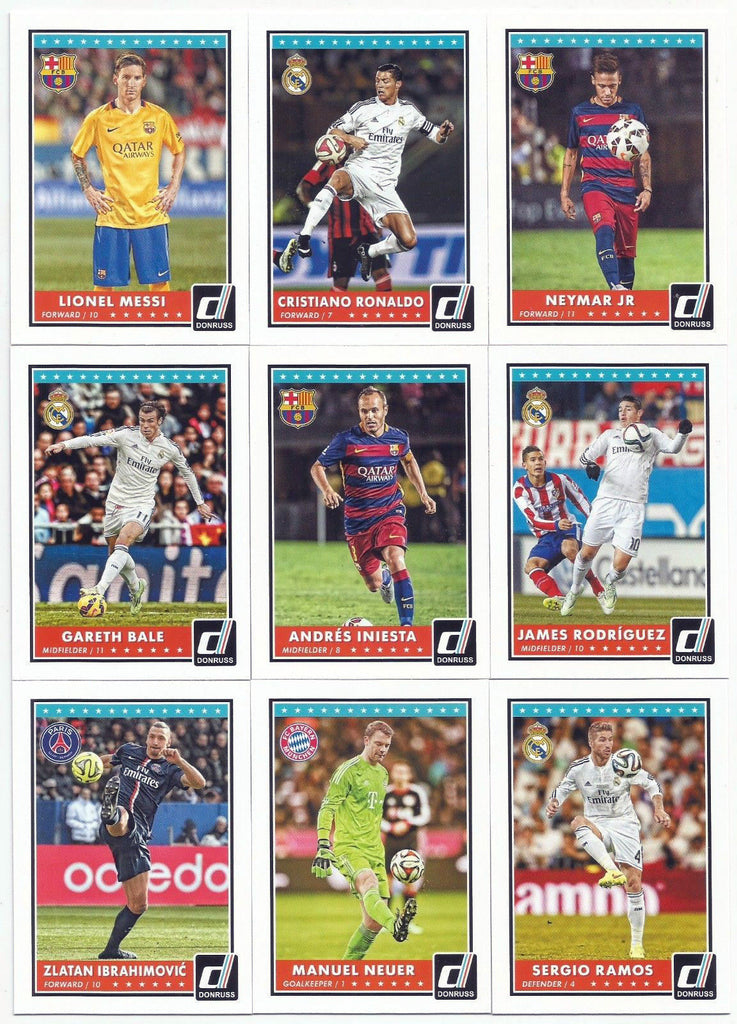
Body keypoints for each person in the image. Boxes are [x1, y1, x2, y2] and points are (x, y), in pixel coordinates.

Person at [282, 63, 454, 280]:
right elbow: (333, 129)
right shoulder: (363, 108)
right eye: (377, 81)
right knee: (337, 178)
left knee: (408, 240)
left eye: (385, 81)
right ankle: (305, 236)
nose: (380, 85)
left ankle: (369, 251)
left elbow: (435, 135)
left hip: (385, 186)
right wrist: (350, 138)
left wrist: (443, 133)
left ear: (398, 84)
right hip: (358, 172)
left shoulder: (409, 112)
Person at [44, 400, 213, 613]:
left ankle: (98, 590)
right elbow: (92, 439)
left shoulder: (169, 448)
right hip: (115, 502)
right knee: (115, 553)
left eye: (150, 421)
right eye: (142, 420)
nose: (145, 425)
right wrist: (64, 445)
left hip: (141, 503)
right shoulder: (126, 435)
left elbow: (187, 473)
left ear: (160, 421)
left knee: (123, 541)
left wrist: (200, 502)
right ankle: (136, 586)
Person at [310, 386, 436, 626]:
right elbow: (317, 467)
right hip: (358, 521)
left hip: (390, 512)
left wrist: (423, 493)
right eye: (364, 411)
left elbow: (409, 461)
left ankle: (406, 628)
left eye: (374, 410)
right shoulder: (346, 440)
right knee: (373, 584)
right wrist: (327, 490)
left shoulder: (399, 438)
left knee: (396, 558)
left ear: (385, 410)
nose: (369, 416)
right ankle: (385, 578)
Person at [546, 720, 670, 958]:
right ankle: (612, 871)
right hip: (598, 824)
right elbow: (562, 788)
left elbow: (652, 784)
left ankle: (636, 945)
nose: (608, 744)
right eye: (602, 740)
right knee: (577, 822)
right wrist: (554, 802)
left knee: (634, 884)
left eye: (610, 740)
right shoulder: (579, 768)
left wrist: (659, 808)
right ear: (591, 742)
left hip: (625, 825)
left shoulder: (623, 763)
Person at [560, 395, 691, 614]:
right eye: (620, 409)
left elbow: (673, 448)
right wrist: (590, 465)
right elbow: (584, 458)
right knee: (586, 554)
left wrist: (683, 433)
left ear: (639, 413)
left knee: (620, 566)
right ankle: (574, 589)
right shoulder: (610, 435)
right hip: (606, 502)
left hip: (633, 506)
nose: (622, 412)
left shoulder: (652, 435)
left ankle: (610, 583)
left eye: (628, 409)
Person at [70, 52, 185, 291]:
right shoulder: (98, 118)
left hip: (151, 214)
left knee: (160, 284)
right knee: (104, 288)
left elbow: (179, 150)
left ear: (144, 81)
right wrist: (88, 189)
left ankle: (161, 318)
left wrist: (174, 187)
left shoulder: (159, 117)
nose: (130, 84)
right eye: (125, 77)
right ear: (116, 79)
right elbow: (77, 154)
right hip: (112, 215)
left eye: (136, 78)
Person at [96, 720, 206, 959]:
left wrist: (179, 761)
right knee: (124, 816)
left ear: (168, 742)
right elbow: (105, 761)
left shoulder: (170, 769)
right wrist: (87, 763)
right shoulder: (128, 751)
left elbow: (200, 783)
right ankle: (111, 813)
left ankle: (111, 950)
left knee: (138, 904)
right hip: (123, 824)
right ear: (146, 737)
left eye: (161, 738)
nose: (155, 741)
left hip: (138, 838)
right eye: (152, 736)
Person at [311, 721, 417, 959]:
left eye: (387, 745)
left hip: (375, 850)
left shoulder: (383, 773)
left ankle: (346, 970)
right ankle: (396, 925)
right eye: (378, 743)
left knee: (372, 923)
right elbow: (327, 808)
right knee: (367, 881)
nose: (383, 749)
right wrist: (323, 844)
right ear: (366, 740)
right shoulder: (348, 771)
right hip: (350, 847)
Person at [560, 52, 652, 290]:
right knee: (603, 232)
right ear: (593, 80)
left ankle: (623, 296)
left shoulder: (633, 113)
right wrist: (564, 193)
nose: (607, 92)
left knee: (626, 256)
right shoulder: (580, 113)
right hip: (595, 186)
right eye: (602, 86)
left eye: (612, 85)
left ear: (619, 80)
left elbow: (643, 154)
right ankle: (614, 287)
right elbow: (571, 153)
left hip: (626, 190)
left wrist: (647, 189)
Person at [513, 445, 608, 613]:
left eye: (540, 459)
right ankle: (559, 597)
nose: (538, 463)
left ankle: (598, 589)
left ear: (545, 462)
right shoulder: (520, 490)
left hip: (568, 528)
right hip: (546, 535)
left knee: (568, 548)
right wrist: (555, 525)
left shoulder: (560, 480)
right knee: (531, 566)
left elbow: (581, 500)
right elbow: (533, 519)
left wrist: (594, 523)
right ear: (524, 465)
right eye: (533, 460)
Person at [277, 155, 392, 292]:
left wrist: (378, 219)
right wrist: (312, 205)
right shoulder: (327, 162)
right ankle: (334, 307)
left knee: (381, 274)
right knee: (341, 282)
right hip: (340, 234)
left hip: (367, 229)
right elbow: (303, 187)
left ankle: (386, 306)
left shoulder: (365, 159)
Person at [382, 761, 430, 931]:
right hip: (390, 840)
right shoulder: (386, 793)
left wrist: (408, 823)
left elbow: (425, 815)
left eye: (404, 772)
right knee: (387, 880)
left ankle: (407, 922)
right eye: (397, 771)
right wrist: (391, 827)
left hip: (410, 840)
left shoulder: (417, 792)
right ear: (392, 774)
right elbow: (377, 817)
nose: (400, 775)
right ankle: (386, 921)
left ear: (409, 775)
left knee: (410, 881)